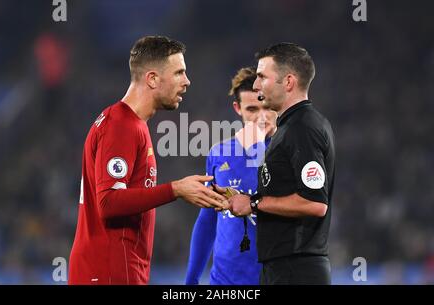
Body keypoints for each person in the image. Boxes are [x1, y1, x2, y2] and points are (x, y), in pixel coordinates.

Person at [68, 36, 227, 285]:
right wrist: (175, 189)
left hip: (110, 270)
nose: (187, 81)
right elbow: (108, 202)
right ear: (152, 78)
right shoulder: (121, 126)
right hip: (110, 272)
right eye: (179, 73)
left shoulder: (129, 123)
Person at [225, 43, 336, 285]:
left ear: (288, 82)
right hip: (283, 266)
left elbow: (315, 202)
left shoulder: (302, 128)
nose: (255, 86)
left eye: (262, 77)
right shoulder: (290, 127)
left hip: (296, 270)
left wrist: (253, 203)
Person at [185, 67, 277, 285]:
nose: (261, 116)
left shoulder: (293, 152)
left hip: (274, 277)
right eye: (252, 109)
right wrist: (191, 279)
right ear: (238, 109)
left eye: (266, 106)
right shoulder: (220, 154)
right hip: (225, 281)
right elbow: (207, 221)